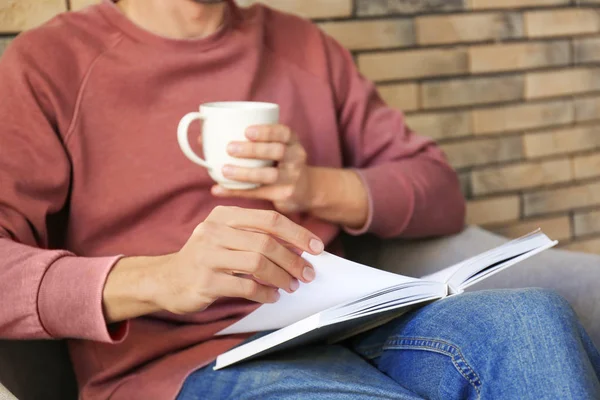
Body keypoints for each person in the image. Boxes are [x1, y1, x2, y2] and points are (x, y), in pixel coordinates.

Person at [0, 0, 598, 399]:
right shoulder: (49, 65)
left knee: (532, 318)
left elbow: (440, 193)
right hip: (184, 367)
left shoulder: (306, 48)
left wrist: (312, 185)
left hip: (340, 328)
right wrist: (161, 279)